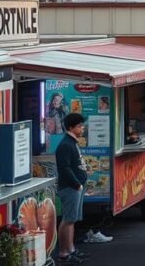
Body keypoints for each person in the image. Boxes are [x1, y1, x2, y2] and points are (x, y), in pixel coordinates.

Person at [56, 113, 88, 264]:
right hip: (70, 187)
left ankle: (72, 249)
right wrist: (77, 183)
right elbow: (64, 168)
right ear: (71, 127)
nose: (82, 128)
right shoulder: (65, 145)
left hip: (76, 187)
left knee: (72, 219)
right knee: (68, 219)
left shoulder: (72, 142)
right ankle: (64, 252)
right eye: (80, 126)